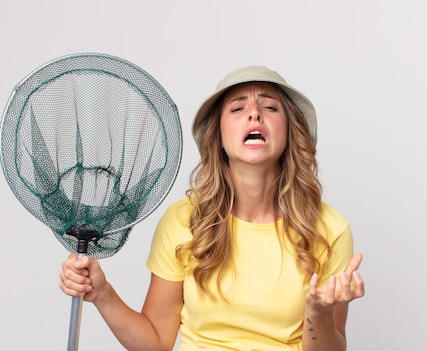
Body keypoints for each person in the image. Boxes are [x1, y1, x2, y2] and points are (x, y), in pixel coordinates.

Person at [60, 66, 365, 351]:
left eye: (270, 107)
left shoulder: (329, 229)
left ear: (290, 131)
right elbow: (156, 341)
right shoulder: (183, 221)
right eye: (238, 108)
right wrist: (102, 293)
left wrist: (318, 310)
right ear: (217, 135)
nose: (255, 114)